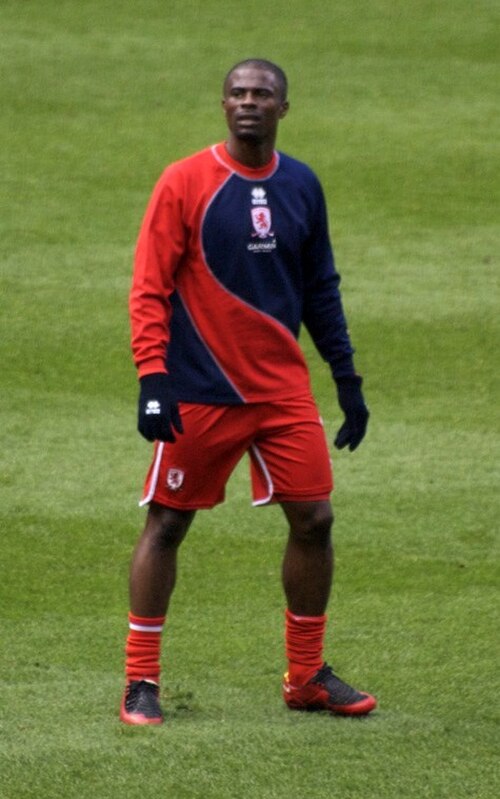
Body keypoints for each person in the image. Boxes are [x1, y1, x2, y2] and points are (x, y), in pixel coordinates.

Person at [120, 58, 376, 725]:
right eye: (237, 93)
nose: (248, 103)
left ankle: (306, 676)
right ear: (222, 104)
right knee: (168, 521)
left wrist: (345, 377)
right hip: (202, 388)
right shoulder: (184, 181)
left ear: (283, 108)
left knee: (315, 519)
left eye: (262, 94)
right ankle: (140, 680)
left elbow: (320, 286)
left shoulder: (301, 185)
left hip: (282, 390)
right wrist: (153, 378)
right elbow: (150, 285)